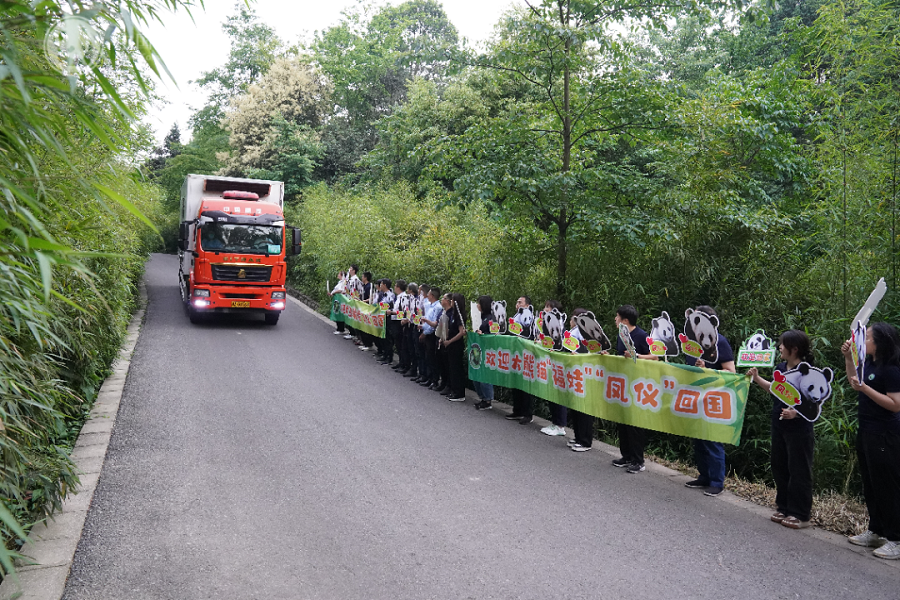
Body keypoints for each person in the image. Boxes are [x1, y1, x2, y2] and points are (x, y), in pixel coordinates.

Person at [840, 322, 900, 559]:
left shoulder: (892, 369)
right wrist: (848, 359)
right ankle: (876, 530)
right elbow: (855, 384)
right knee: (871, 483)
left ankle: (895, 538)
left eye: (867, 338)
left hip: (885, 433)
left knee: (888, 486)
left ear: (881, 342)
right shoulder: (870, 364)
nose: (862, 342)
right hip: (866, 430)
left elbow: (895, 405)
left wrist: (865, 389)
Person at [747, 330, 817, 529]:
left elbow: (815, 400)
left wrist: (796, 412)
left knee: (799, 470)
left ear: (794, 349)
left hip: (800, 428)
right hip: (779, 424)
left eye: (782, 344)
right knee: (780, 466)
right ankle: (784, 507)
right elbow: (775, 389)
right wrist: (758, 378)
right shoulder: (781, 368)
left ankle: (801, 514)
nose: (779, 347)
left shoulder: (808, 371)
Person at [683, 305, 735, 497]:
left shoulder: (720, 342)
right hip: (695, 396)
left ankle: (716, 481)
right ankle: (704, 475)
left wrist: (708, 370)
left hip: (714, 397)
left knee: (712, 440)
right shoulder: (690, 343)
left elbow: (732, 373)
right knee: (698, 439)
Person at [610, 305, 654, 472]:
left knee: (635, 424)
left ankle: (638, 460)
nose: (615, 319)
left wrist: (637, 356)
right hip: (623, 384)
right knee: (623, 421)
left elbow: (656, 357)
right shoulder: (621, 335)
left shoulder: (642, 336)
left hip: (639, 386)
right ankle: (626, 456)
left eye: (617, 316)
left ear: (625, 320)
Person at [505, 295, 536, 424]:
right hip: (515, 355)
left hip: (527, 355)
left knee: (526, 387)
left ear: (527, 306)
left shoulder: (531, 318)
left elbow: (530, 334)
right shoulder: (515, 317)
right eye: (517, 302)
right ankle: (517, 410)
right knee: (516, 384)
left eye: (520, 302)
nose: (517, 304)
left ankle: (527, 414)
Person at [541, 300, 570, 437]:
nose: (545, 309)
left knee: (559, 396)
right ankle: (555, 423)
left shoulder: (561, 328)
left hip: (560, 367)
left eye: (548, 307)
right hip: (551, 365)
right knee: (553, 395)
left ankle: (560, 425)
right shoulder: (547, 327)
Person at [440, 292, 468, 401]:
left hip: (456, 345)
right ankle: (454, 390)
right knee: (452, 368)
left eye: (452, 300)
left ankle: (459, 393)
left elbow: (461, 332)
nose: (450, 302)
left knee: (456, 369)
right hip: (450, 345)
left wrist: (450, 341)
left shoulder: (459, 315)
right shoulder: (453, 314)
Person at [473, 295, 495, 410]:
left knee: (485, 376)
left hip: (488, 350)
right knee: (478, 374)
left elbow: (494, 335)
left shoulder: (492, 318)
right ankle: (483, 397)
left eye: (479, 303)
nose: (477, 305)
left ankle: (487, 400)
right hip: (479, 349)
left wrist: (483, 334)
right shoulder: (483, 316)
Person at [419, 286, 443, 389]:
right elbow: (428, 320)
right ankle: (429, 378)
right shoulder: (430, 305)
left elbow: (434, 324)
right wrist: (423, 326)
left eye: (428, 294)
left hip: (432, 335)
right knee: (427, 357)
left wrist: (426, 331)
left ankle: (434, 379)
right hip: (427, 332)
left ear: (432, 295)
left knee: (432, 358)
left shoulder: (437, 307)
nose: (427, 296)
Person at [387, 280, 408, 369]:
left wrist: (392, 312)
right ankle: (401, 362)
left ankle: (404, 363)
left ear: (398, 287)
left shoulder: (404, 297)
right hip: (395, 321)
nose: (394, 288)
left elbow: (403, 313)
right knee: (397, 343)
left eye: (395, 286)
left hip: (399, 322)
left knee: (400, 343)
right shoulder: (398, 297)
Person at [374, 279, 395, 364]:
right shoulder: (382, 294)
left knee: (388, 338)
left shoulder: (391, 295)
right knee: (383, 337)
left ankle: (389, 356)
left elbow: (392, 307)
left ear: (385, 285)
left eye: (382, 284)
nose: (380, 286)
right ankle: (384, 354)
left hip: (388, 318)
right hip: (381, 318)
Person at [329, 270, 347, 335]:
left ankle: (341, 329)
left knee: (339, 314)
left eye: (339, 274)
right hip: (337, 300)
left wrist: (333, 292)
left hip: (341, 300)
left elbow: (341, 290)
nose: (338, 275)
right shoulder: (340, 282)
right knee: (337, 313)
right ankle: (339, 328)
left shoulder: (344, 282)